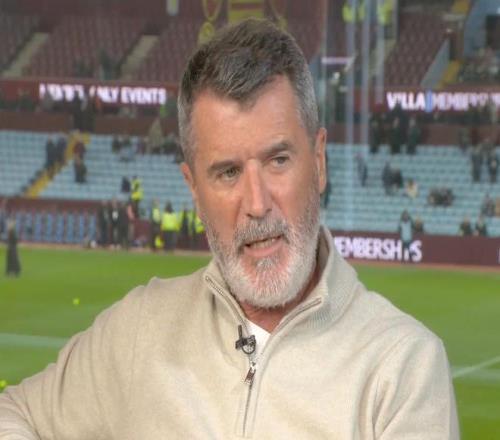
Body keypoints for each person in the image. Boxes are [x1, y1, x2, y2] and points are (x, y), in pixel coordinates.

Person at [0, 19, 458, 438]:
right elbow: (15, 414)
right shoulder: (138, 329)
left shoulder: (402, 368)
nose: (257, 204)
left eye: (278, 160)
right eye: (228, 172)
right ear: (194, 190)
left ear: (319, 161)